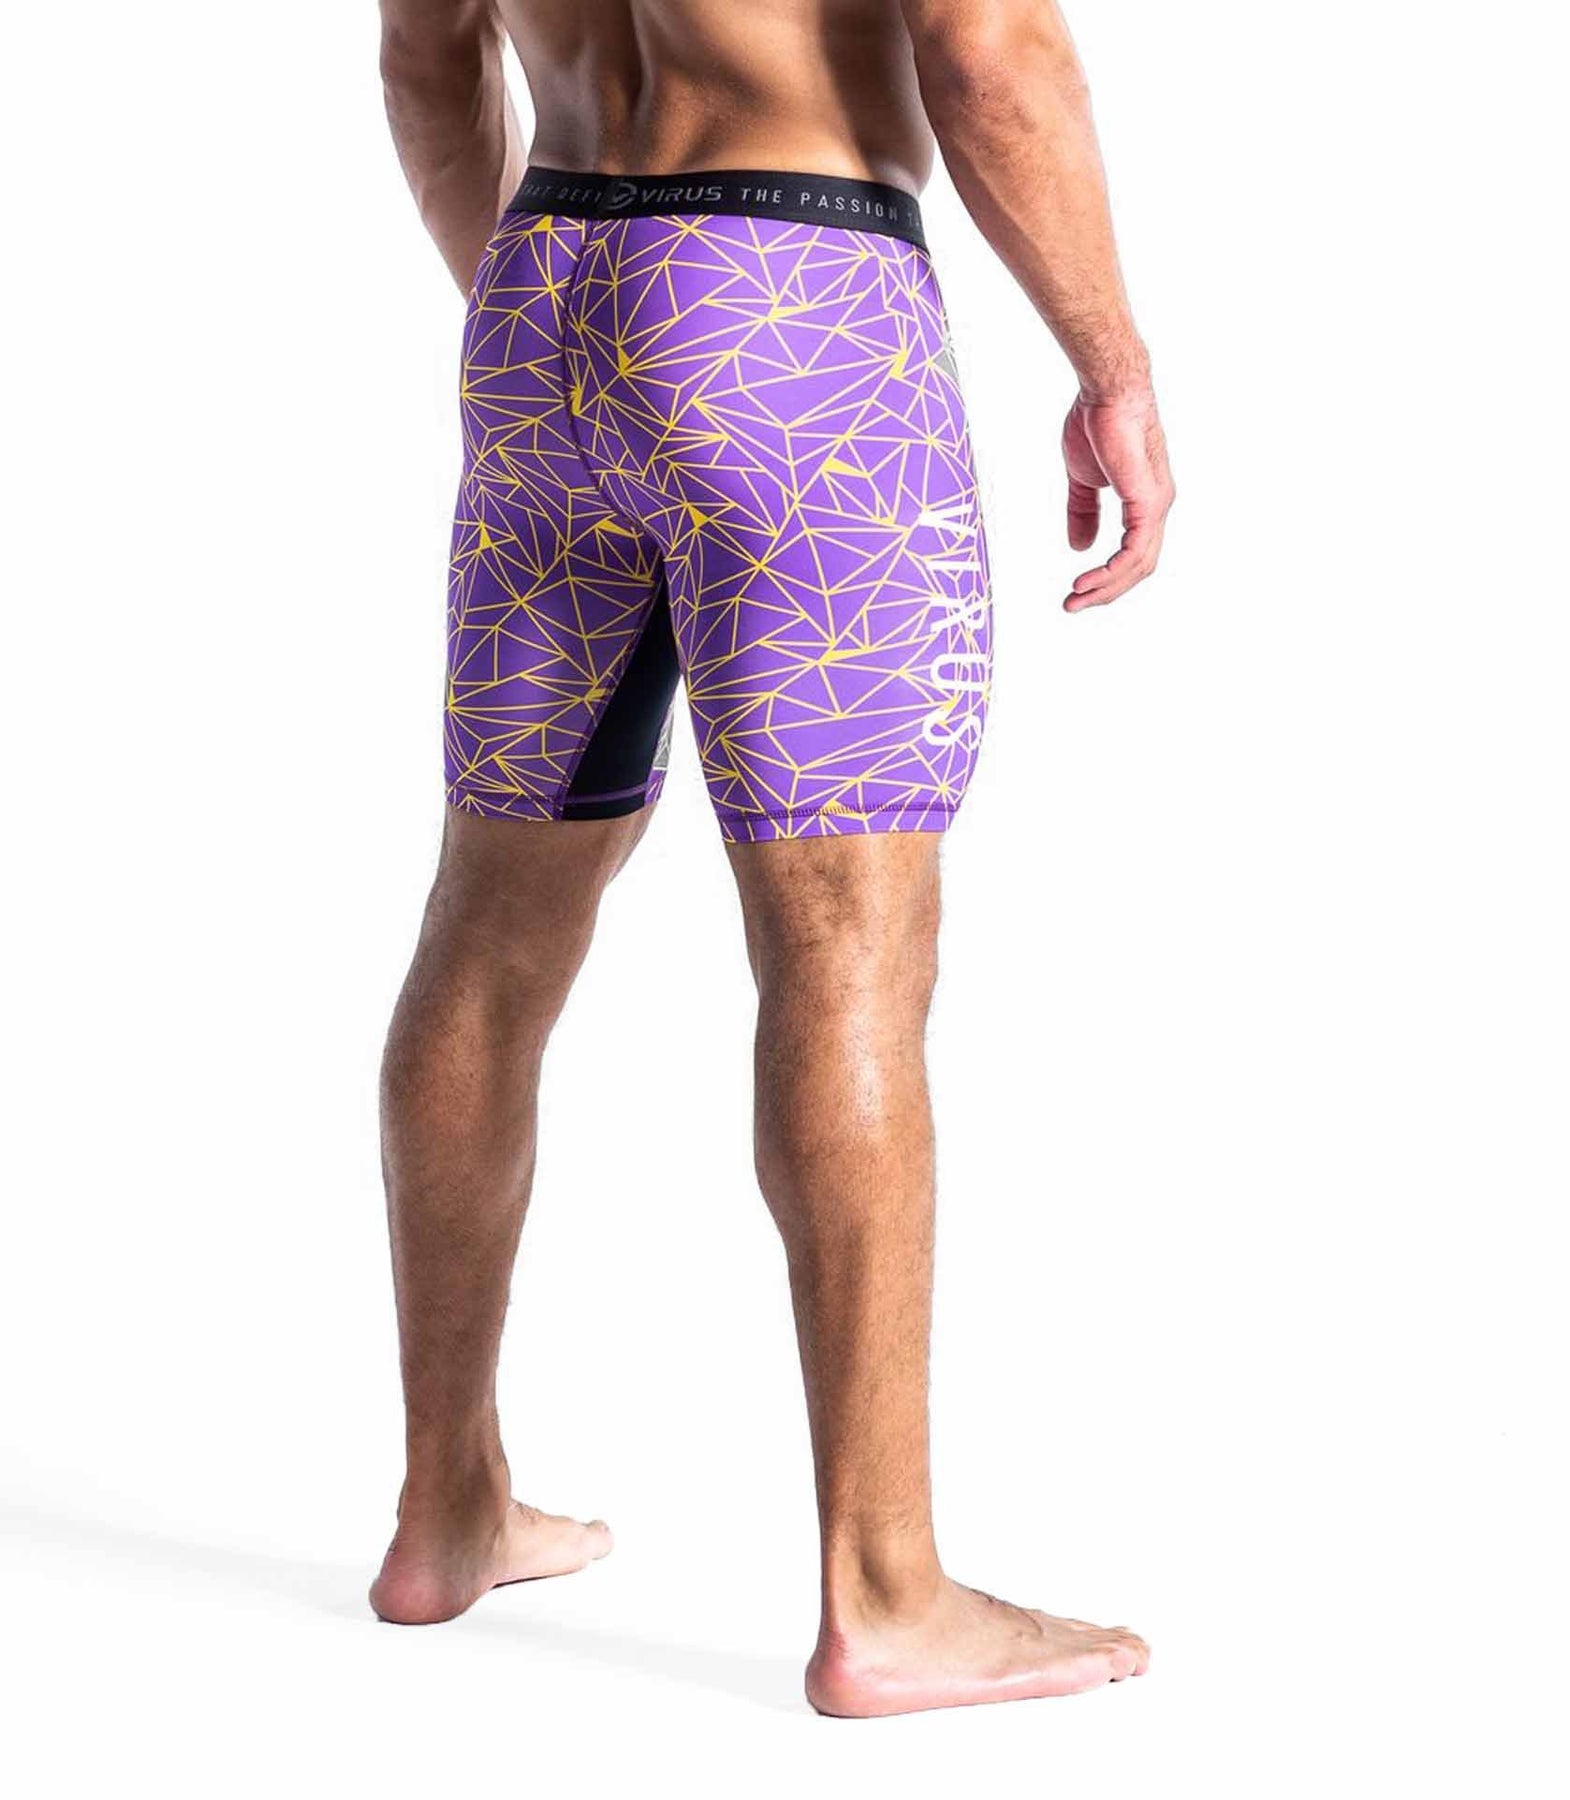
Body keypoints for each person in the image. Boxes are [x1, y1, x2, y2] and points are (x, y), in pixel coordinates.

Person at [370, 0, 1173, 1718]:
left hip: (545, 297)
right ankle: (883, 1595)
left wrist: (558, 322)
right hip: (792, 303)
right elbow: (987, 53)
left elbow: (425, 54)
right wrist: (1112, 367)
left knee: (489, 927)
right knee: (847, 948)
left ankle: (446, 1511)